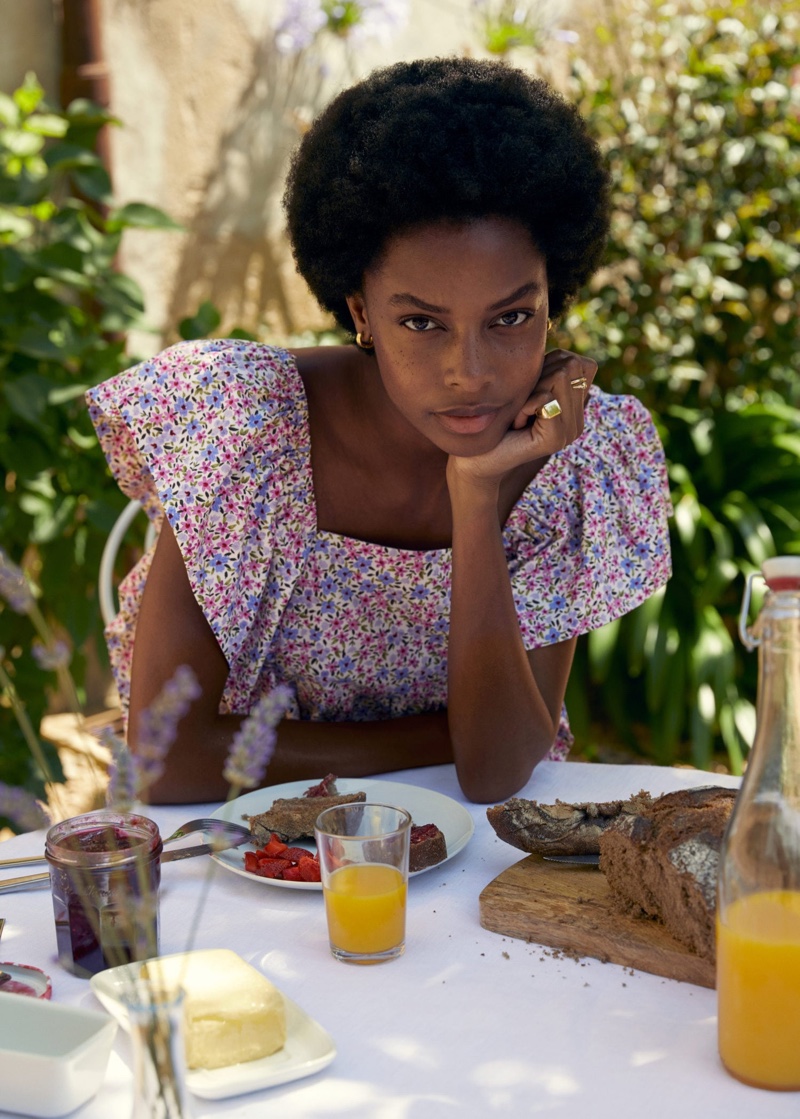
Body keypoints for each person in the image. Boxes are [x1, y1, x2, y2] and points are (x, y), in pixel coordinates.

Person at [87, 58, 671, 805]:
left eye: (512, 317)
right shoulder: (248, 429)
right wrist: (436, 737)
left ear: (554, 299)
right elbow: (169, 760)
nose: (472, 372)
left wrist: (477, 490)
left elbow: (496, 769)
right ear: (361, 311)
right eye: (422, 322)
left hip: (469, 859)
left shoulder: (567, 455)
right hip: (240, 856)